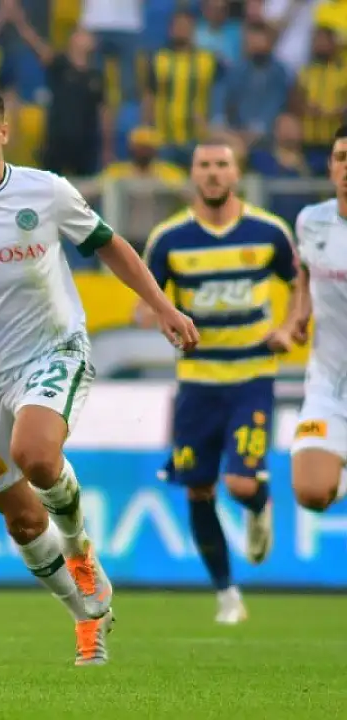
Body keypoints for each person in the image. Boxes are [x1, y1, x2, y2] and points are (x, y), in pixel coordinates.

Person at [0, 79, 198, 667]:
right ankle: (86, 615)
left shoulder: (46, 190)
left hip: (54, 350)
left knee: (36, 454)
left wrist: (162, 306)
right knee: (19, 517)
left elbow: (108, 244)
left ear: (3, 131)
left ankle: (81, 551)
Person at [138, 140, 304, 625]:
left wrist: (290, 326)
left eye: (221, 165)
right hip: (196, 382)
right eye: (204, 165)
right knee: (198, 489)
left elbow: (300, 282)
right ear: (193, 174)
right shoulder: (170, 238)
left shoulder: (267, 231)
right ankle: (227, 593)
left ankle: (258, 502)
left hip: (252, 376)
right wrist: (158, 318)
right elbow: (148, 298)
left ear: (236, 173)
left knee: (239, 481)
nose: (212, 173)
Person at [289, 126, 347, 515]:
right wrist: (299, 315)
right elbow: (306, 271)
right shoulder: (310, 221)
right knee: (310, 492)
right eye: (341, 158)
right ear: (330, 167)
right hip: (328, 385)